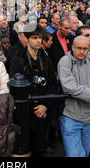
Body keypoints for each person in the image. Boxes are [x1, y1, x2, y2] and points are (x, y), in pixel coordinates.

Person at [9, 26, 57, 157]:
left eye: (40, 38)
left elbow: (52, 84)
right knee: (23, 148)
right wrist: (34, 108)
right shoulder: (17, 59)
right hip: (24, 113)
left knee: (39, 149)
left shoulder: (46, 59)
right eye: (34, 38)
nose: (38, 41)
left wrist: (45, 106)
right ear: (26, 38)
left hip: (43, 113)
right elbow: (14, 87)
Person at [57, 36, 90, 157]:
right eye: (79, 48)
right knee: (75, 154)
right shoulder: (64, 61)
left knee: (85, 152)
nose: (82, 51)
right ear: (72, 47)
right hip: (70, 115)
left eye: (85, 48)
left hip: (89, 117)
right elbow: (70, 87)